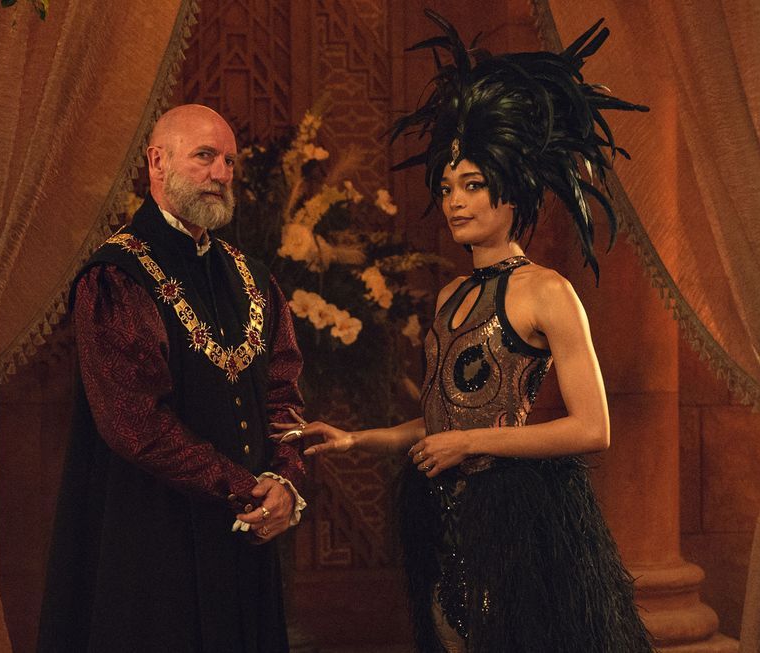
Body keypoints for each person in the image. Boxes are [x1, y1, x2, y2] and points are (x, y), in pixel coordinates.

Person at [274, 12, 653, 653]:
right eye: (448, 187)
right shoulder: (452, 294)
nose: (454, 201)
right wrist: (356, 439)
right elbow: (443, 419)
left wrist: (468, 444)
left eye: (473, 186)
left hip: (516, 516)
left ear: (513, 191)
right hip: (446, 514)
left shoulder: (548, 291)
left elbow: (593, 429)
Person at [37, 104, 307, 653]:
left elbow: (283, 392)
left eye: (229, 161)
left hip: (245, 535)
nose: (221, 173)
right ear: (157, 162)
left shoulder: (251, 277)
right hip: (151, 533)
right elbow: (134, 423)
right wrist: (242, 486)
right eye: (204, 156)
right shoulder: (118, 275)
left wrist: (284, 481)